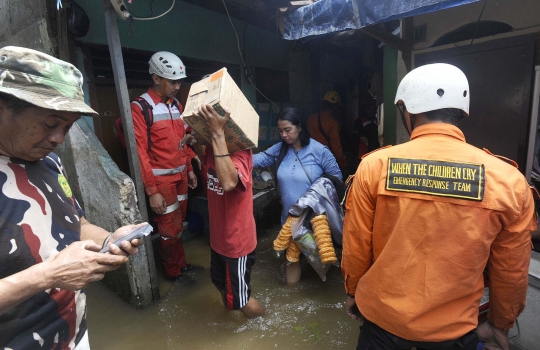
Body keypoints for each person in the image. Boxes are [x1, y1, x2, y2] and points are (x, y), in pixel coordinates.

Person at [341, 63, 535, 350]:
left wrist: (354, 292)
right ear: (460, 112)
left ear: (407, 110)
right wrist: (498, 324)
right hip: (454, 331)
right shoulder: (508, 180)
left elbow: (357, 246)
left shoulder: (374, 167)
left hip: (383, 325)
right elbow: (511, 269)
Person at [0, 46, 143, 349]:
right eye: (51, 124)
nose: (58, 139)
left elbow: (74, 222)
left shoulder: (49, 162)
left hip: (73, 334)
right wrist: (49, 274)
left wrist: (108, 241)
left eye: (67, 127)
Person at [188, 104, 265, 319]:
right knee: (222, 286)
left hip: (236, 243)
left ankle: (262, 326)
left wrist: (216, 133)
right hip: (219, 239)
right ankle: (232, 319)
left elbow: (229, 182)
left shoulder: (240, 152)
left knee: (241, 301)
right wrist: (198, 144)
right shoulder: (214, 149)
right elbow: (209, 166)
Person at [253, 107, 342, 283]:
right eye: (280, 131)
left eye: (288, 130)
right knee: (291, 260)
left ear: (299, 127)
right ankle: (292, 291)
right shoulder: (280, 149)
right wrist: (228, 152)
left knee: (320, 260)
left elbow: (336, 181)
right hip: (289, 221)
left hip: (316, 222)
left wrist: (314, 197)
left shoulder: (319, 151)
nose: (284, 135)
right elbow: (257, 160)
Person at [131, 51, 197, 280]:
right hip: (162, 184)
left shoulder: (176, 106)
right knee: (168, 230)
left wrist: (189, 169)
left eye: (180, 81)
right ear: (156, 78)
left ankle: (181, 265)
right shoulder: (140, 108)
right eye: (173, 81)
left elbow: (184, 141)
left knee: (179, 225)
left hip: (180, 180)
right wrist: (152, 192)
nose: (178, 86)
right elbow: (139, 153)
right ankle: (173, 273)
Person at [306, 91, 348, 170]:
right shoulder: (333, 123)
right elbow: (336, 148)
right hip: (326, 160)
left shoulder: (310, 119)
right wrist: (343, 163)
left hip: (310, 158)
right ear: (335, 107)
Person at [351, 90, 380, 165]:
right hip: (362, 156)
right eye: (369, 108)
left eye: (373, 108)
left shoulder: (374, 120)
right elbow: (355, 141)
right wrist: (355, 157)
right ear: (365, 108)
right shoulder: (359, 122)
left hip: (374, 155)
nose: (373, 110)